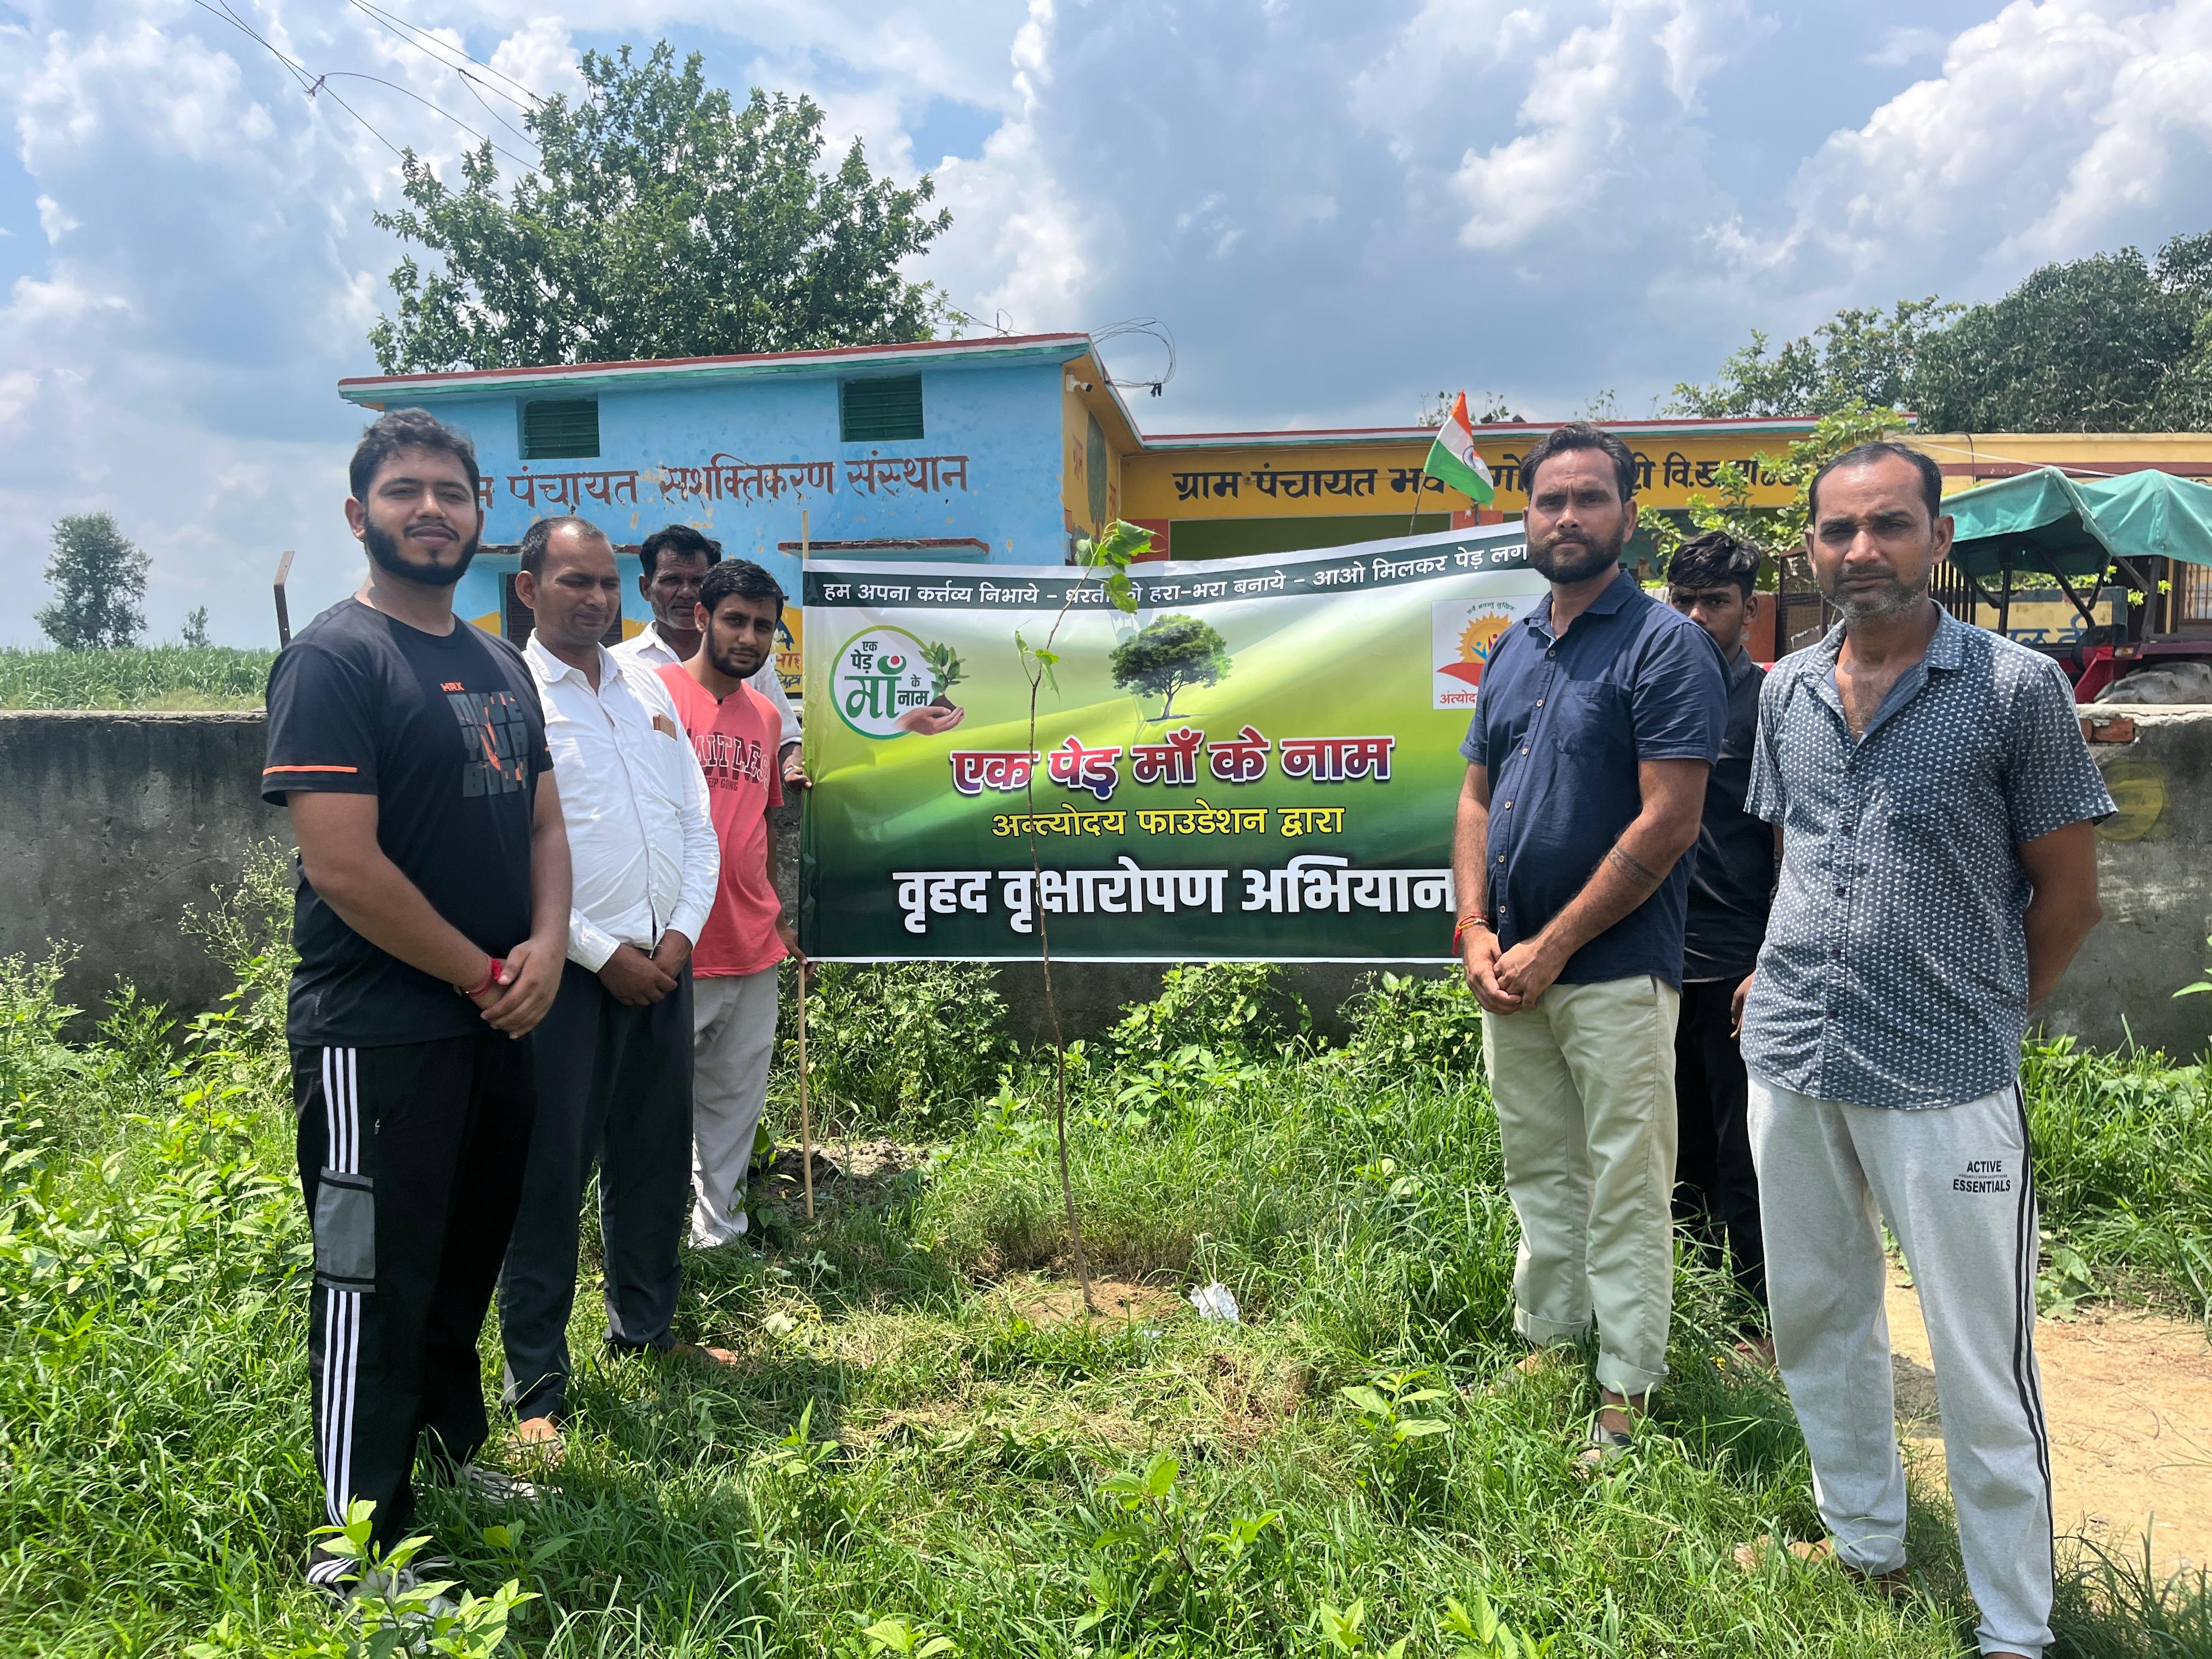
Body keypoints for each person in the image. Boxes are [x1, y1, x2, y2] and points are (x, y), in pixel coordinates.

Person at [1734, 442, 2111, 1659]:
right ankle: (1864, 1541)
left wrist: (1991, 1013)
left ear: (1936, 539)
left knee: (1978, 1357)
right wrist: (1775, 966)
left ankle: (2014, 1625)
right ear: (1810, 548)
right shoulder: (1786, 689)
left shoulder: (2014, 688)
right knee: (1817, 1315)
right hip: (1794, 1053)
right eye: (1838, 530)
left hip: (1946, 1075)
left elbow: (2069, 897)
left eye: (1889, 524)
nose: (1862, 551)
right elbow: (1800, 847)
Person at [261, 409, 571, 1595]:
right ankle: (356, 1544)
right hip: (378, 1034)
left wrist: (547, 946)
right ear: (360, 515)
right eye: (404, 491)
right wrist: (485, 972)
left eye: (451, 490)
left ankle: (444, 1452)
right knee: (371, 1280)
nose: (431, 508)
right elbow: (344, 866)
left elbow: (543, 821)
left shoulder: (499, 662)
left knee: (461, 1255)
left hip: (495, 1017)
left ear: (481, 514)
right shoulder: (335, 661)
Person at [1451, 421, 1726, 1469]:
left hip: (1610, 968)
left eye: (1588, 498)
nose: (1566, 516)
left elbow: (1669, 819)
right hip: (1508, 967)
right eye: (1549, 500)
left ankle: (1626, 1383)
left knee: (1624, 1181)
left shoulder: (1664, 644)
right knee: (1539, 1167)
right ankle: (1551, 1337)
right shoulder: (1514, 645)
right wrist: (1478, 927)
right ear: (1526, 517)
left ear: (1627, 513)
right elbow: (1475, 795)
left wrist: (1554, 945)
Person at [498, 516, 728, 1460]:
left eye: (605, 583)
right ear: (529, 589)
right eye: (574, 582)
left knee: (652, 1158)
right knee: (549, 1176)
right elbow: (512, 849)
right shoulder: (511, 693)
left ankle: (646, 1327)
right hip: (567, 975)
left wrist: (677, 938)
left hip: (664, 964)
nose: (596, 599)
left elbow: (696, 823)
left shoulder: (647, 687)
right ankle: (536, 1385)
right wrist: (601, 954)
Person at [657, 560, 803, 1246]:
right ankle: (649, 1243)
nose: (749, 638)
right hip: (673, 945)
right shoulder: (655, 696)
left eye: (763, 626)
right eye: (736, 621)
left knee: (735, 1104)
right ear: (701, 618)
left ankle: (720, 1238)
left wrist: (778, 917)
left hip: (752, 944)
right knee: (652, 1105)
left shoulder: (767, 716)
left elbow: (762, 825)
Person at [1662, 530, 1778, 1338]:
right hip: (1654, 963)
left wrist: (1770, 960)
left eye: (1717, 602)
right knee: (1676, 1152)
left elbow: (1793, 841)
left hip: (1739, 964)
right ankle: (1696, 1312)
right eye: (1685, 602)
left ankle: (1758, 1321)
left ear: (1750, 608)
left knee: (1748, 1157)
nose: (1699, 617)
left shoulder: (1770, 703)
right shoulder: (1652, 692)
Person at [613, 523, 806, 788]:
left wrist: (792, 770)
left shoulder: (747, 661)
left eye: (697, 582)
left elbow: (786, 737)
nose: (686, 592)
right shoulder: (619, 666)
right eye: (671, 580)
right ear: (646, 587)